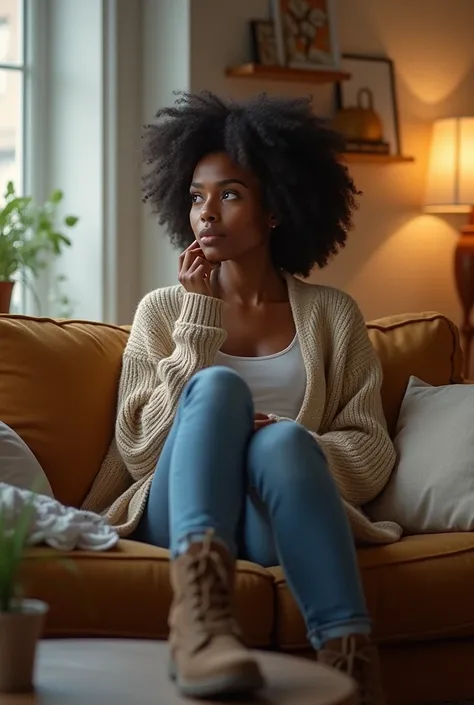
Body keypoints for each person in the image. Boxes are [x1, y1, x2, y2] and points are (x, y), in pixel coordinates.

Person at [82, 91, 402, 703]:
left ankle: (352, 663)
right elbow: (142, 450)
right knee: (221, 387)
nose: (208, 213)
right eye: (197, 196)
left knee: (282, 437)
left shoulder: (333, 316)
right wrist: (200, 320)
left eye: (230, 194)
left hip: (271, 515)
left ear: (274, 210)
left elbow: (370, 452)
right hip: (172, 511)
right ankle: (201, 621)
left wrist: (288, 435)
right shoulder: (163, 310)